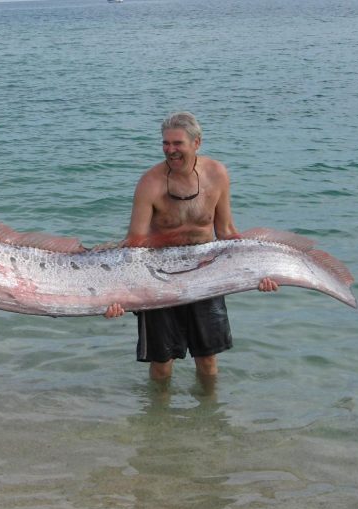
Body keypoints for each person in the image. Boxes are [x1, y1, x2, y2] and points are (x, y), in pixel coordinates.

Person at [104, 111, 278, 381]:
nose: (170, 150)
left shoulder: (217, 174)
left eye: (177, 144)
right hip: (159, 275)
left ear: (196, 143)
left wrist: (260, 272)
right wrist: (119, 296)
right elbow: (135, 245)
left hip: (206, 272)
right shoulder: (150, 183)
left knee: (207, 360)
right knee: (162, 363)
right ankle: (157, 421)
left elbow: (227, 233)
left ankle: (211, 419)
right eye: (165, 143)